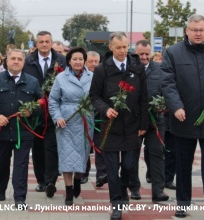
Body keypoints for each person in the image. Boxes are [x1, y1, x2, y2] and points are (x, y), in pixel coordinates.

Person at [161, 14, 204, 219]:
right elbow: (167, 83)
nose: (198, 33)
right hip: (183, 119)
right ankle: (182, 204)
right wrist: (176, 106)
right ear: (187, 31)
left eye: (202, 30)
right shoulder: (172, 52)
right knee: (183, 163)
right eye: (194, 30)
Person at [89, 32, 148, 220]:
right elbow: (94, 96)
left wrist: (143, 123)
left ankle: (123, 190)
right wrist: (105, 109)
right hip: (110, 128)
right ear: (110, 47)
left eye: (125, 47)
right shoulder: (101, 70)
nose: (123, 51)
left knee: (130, 167)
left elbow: (144, 97)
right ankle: (116, 204)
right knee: (112, 169)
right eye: (119, 47)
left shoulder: (137, 67)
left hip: (132, 126)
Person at [0, 49, 42, 207]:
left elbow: (42, 104)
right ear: (6, 61)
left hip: (23, 131)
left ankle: (20, 197)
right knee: (2, 162)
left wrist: (32, 111)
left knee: (21, 165)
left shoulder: (32, 82)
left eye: (19, 59)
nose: (16, 61)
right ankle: (1, 189)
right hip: (2, 131)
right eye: (12, 59)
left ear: (23, 62)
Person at [23, 31, 66, 198]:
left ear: (51, 42)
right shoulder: (28, 61)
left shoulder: (61, 60)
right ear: (36, 44)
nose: (44, 44)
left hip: (54, 110)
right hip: (34, 111)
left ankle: (50, 181)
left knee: (52, 147)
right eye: (41, 42)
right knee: (38, 148)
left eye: (47, 41)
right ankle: (41, 180)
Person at [48, 47, 94, 205]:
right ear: (69, 61)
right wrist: (58, 117)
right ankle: (68, 190)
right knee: (67, 156)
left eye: (81, 59)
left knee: (82, 154)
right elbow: (53, 100)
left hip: (85, 120)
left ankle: (77, 180)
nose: (78, 62)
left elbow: (98, 96)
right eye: (74, 59)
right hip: (66, 121)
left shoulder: (92, 77)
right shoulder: (61, 78)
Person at [130, 40, 169, 202]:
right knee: (131, 155)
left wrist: (164, 106)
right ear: (135, 53)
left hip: (156, 121)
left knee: (157, 154)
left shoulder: (160, 70)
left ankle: (158, 191)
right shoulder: (129, 69)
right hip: (135, 121)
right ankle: (134, 188)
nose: (144, 57)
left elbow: (168, 90)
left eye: (147, 54)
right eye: (141, 54)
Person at [81, 51, 107, 186]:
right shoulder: (82, 76)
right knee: (85, 146)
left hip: (99, 117)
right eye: (90, 61)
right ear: (85, 62)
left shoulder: (103, 75)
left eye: (96, 61)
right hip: (84, 117)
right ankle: (83, 173)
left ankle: (101, 174)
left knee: (100, 146)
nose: (93, 64)